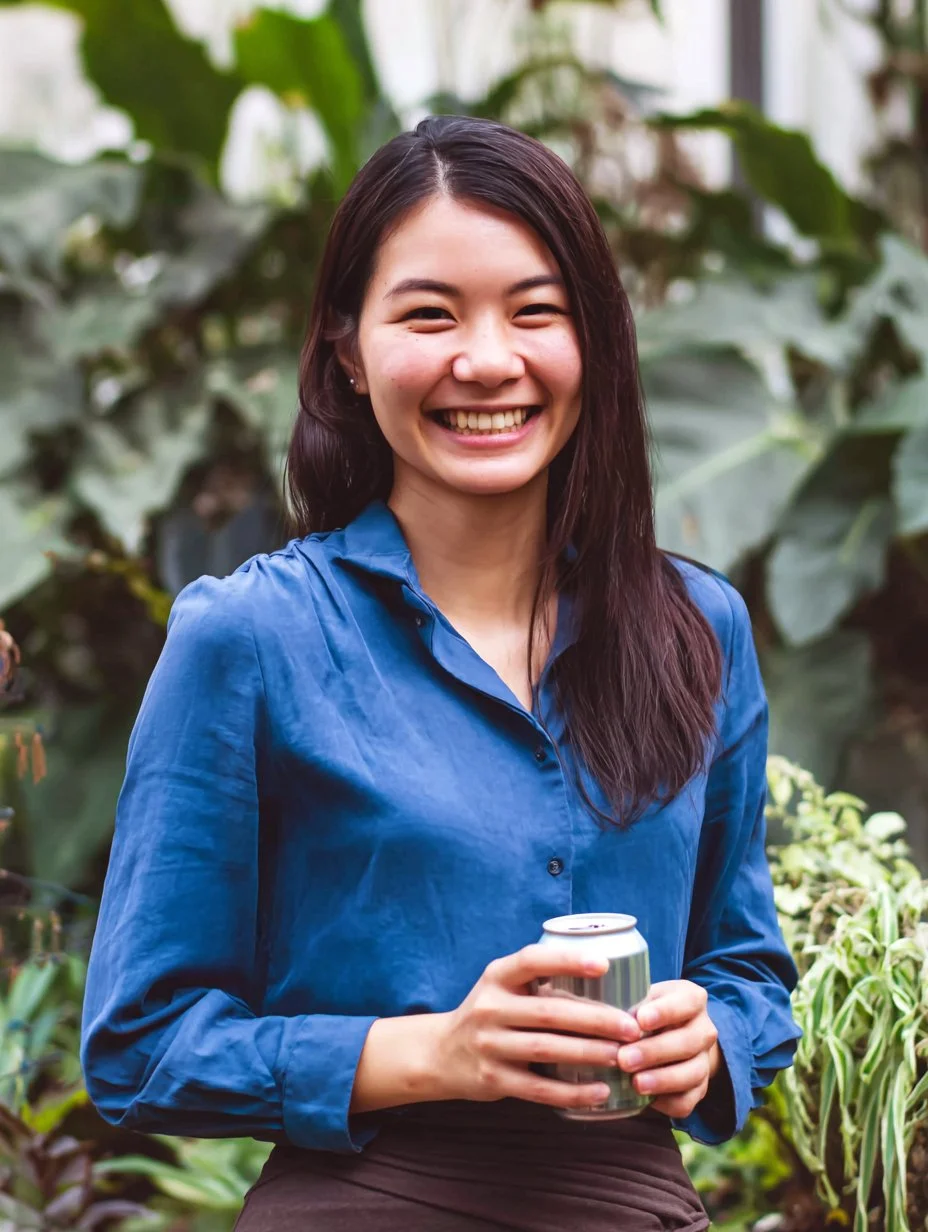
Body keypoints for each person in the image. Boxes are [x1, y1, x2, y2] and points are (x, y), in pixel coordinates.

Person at [81, 115, 801, 1232]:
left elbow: (748, 968)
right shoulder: (250, 638)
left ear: (593, 345)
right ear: (347, 351)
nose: (486, 360)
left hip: (632, 1201)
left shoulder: (696, 629)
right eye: (429, 312)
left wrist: (710, 1039)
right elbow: (139, 1044)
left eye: (535, 310)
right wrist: (432, 1052)